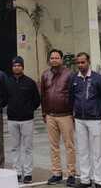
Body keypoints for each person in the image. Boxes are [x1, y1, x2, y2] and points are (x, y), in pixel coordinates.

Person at [70, 52, 101, 188]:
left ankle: (98, 181)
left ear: (88, 62)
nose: (80, 65)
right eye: (78, 63)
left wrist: (100, 113)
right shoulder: (74, 79)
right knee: (82, 150)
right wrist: (74, 112)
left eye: (83, 62)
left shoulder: (98, 78)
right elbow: (71, 97)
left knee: (96, 151)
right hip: (79, 119)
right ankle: (85, 180)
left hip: (94, 119)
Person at [40, 49, 76, 186]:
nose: (54, 60)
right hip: (50, 116)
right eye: (52, 58)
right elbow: (43, 95)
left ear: (61, 59)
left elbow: (73, 94)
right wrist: (44, 113)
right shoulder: (45, 75)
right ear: (49, 60)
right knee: (54, 146)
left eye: (56, 58)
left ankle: (71, 173)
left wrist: (73, 113)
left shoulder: (69, 74)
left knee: (69, 146)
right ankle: (56, 173)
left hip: (66, 115)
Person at [4, 56, 41, 184]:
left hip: (27, 120)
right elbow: (4, 99)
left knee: (28, 148)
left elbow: (37, 100)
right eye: (15, 65)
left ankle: (28, 173)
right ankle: (17, 172)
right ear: (12, 67)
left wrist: (29, 110)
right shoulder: (7, 82)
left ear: (23, 67)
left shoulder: (30, 83)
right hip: (12, 119)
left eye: (19, 65)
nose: (17, 67)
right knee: (15, 147)